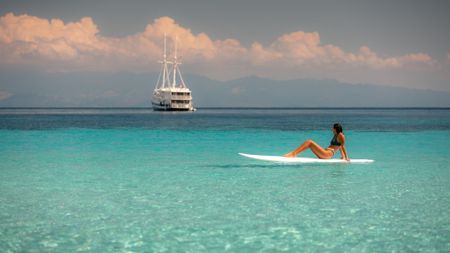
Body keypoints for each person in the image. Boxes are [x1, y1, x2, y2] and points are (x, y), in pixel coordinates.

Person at [283, 123, 349, 160]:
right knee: (310, 144)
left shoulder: (340, 135)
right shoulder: (336, 135)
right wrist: (342, 157)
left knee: (309, 142)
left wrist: (346, 157)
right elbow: (339, 146)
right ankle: (293, 153)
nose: (331, 129)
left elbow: (342, 146)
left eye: (332, 128)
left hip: (327, 154)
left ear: (335, 129)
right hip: (325, 153)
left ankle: (293, 154)